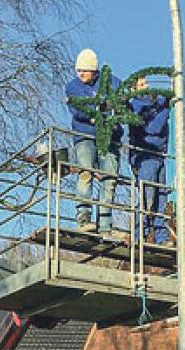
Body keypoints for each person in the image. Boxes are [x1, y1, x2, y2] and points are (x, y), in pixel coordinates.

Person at [65, 48, 123, 235]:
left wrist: (110, 110)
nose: (80, 73)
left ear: (94, 70)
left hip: (109, 138)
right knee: (85, 172)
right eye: (78, 70)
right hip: (85, 137)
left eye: (84, 70)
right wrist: (101, 110)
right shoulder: (73, 86)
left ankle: (105, 224)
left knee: (109, 179)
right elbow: (79, 110)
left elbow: (122, 100)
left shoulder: (111, 82)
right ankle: (83, 216)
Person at [128, 76, 172, 245]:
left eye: (146, 83)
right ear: (134, 89)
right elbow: (154, 128)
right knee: (148, 198)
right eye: (141, 84)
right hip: (145, 156)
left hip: (159, 155)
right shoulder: (136, 107)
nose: (146, 86)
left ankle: (162, 237)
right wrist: (166, 107)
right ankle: (140, 236)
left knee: (161, 197)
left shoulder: (155, 105)